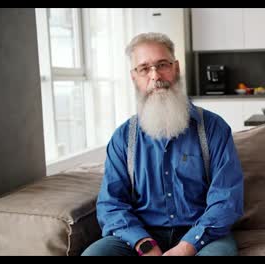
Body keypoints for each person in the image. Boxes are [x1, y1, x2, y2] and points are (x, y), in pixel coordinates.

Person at [82, 32, 244, 256]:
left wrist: (188, 246)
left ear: (176, 68)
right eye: (144, 68)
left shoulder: (214, 129)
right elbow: (111, 204)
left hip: (202, 235)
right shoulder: (122, 138)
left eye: (162, 65)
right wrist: (144, 244)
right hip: (141, 235)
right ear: (134, 77)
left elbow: (227, 199)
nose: (155, 75)